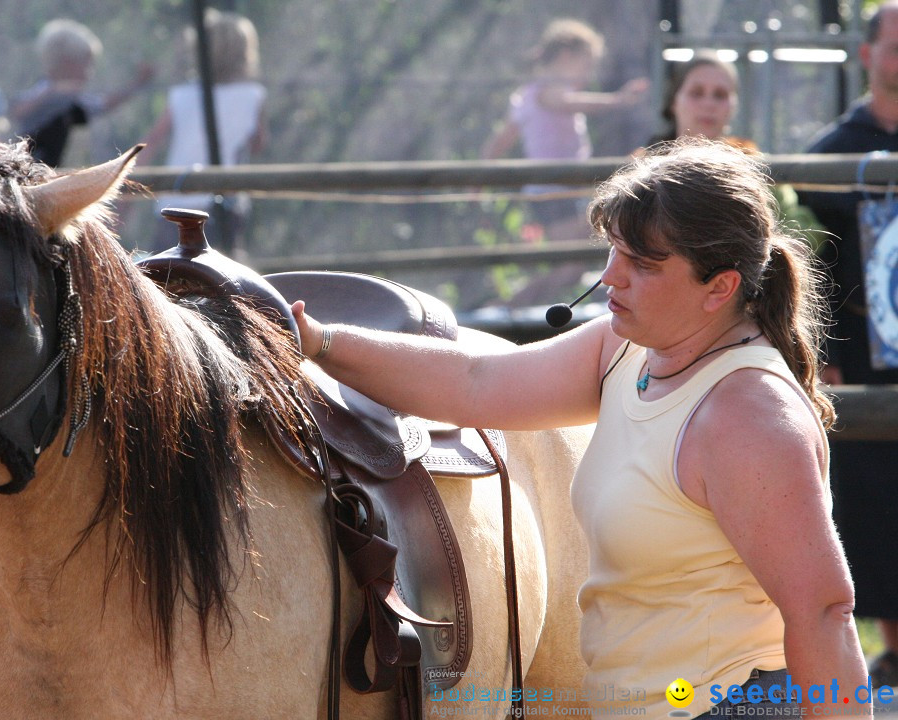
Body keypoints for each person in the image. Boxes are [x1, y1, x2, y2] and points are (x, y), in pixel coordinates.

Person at [292, 138, 868, 718]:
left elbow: (823, 612)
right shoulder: (627, 348)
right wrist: (319, 342)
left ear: (720, 287)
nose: (611, 277)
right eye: (614, 251)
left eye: (643, 264)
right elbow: (474, 382)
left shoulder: (748, 415)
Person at [798, 0, 898, 689]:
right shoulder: (829, 156)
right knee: (875, 497)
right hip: (863, 355)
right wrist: (822, 346)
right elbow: (815, 262)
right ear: (866, 54)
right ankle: (891, 645)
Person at [481, 18, 648, 241]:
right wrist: (618, 100)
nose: (589, 74)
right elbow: (570, 103)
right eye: (587, 64)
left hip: (563, 188)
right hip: (552, 192)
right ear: (566, 56)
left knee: (576, 259)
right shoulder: (545, 93)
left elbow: (501, 139)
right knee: (568, 265)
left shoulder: (527, 96)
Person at [646, 50, 821, 247]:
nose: (708, 104)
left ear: (734, 106)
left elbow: (806, 235)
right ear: (673, 101)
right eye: (697, 93)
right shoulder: (642, 168)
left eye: (720, 95)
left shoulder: (751, 163)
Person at [141, 8, 266, 254]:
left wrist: (130, 188)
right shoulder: (254, 95)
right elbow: (257, 144)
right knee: (223, 278)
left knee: (164, 276)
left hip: (175, 201)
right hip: (225, 205)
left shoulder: (181, 95)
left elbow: (151, 142)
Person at [10, 18, 154, 167]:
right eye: (86, 64)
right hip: (27, 172)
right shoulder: (49, 93)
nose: (89, 74)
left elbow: (101, 105)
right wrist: (53, 92)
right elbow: (18, 111)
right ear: (66, 61)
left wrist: (137, 84)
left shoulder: (68, 99)